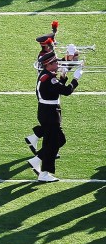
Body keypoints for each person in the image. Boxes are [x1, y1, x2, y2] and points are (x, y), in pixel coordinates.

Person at [27, 52, 80, 182]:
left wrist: (63, 77)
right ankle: (43, 171)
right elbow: (66, 91)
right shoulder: (49, 78)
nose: (57, 64)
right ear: (48, 65)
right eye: (55, 63)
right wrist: (76, 79)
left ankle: (38, 162)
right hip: (50, 113)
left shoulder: (47, 76)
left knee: (56, 141)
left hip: (48, 112)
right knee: (55, 142)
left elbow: (55, 90)